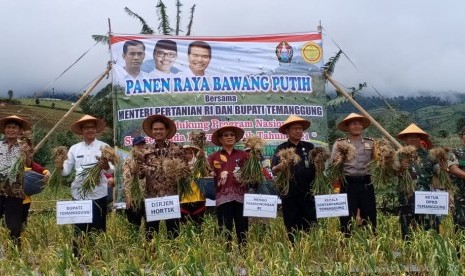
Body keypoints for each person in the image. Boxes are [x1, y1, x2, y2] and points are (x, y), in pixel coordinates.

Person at [61, 115, 112, 257]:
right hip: (79, 193)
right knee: (79, 227)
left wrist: (106, 165)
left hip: (98, 193)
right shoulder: (74, 149)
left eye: (92, 127)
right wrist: (59, 166)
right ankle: (78, 257)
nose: (90, 130)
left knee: (98, 227)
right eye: (86, 128)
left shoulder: (104, 147)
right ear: (81, 131)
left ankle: (98, 257)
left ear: (96, 130)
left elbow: (112, 169)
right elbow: (66, 171)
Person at [271, 115, 316, 244]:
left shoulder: (309, 147)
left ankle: (310, 248)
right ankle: (294, 249)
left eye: (300, 128)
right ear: (287, 131)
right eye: (295, 128)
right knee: (291, 223)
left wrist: (319, 163)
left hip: (308, 191)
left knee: (310, 222)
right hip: (289, 192)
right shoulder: (282, 148)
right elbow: (274, 169)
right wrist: (282, 165)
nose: (298, 131)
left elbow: (316, 167)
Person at [140, 115, 185, 241]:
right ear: (151, 132)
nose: (158, 131)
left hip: (171, 197)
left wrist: (178, 171)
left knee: (173, 233)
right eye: (155, 129)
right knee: (151, 233)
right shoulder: (145, 151)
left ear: (167, 131)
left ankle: (174, 258)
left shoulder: (177, 149)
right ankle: (151, 258)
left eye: (161, 129)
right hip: (152, 197)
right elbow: (140, 175)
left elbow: (185, 172)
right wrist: (139, 170)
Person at [331, 113, 376, 237]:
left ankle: (371, 243)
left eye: (359, 123)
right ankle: (346, 244)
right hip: (348, 184)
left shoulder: (371, 143)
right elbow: (332, 163)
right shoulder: (340, 143)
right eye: (353, 123)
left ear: (362, 126)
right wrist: (338, 159)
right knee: (347, 216)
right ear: (348, 127)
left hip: (366, 183)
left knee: (370, 214)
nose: (357, 126)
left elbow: (379, 160)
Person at [208, 126, 249, 248]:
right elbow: (206, 175)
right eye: (226, 135)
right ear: (220, 139)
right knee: (225, 228)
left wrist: (244, 178)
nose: (230, 137)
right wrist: (213, 175)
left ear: (236, 138)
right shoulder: (213, 157)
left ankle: (244, 255)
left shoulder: (244, 155)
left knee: (243, 228)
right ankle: (226, 257)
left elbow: (253, 176)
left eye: (232, 135)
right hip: (222, 197)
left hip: (241, 197)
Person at [397, 123, 438, 240]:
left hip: (426, 198)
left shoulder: (430, 155)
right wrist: (400, 167)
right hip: (406, 198)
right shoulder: (398, 155)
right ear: (405, 139)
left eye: (417, 136)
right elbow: (390, 173)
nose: (414, 139)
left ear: (421, 139)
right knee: (408, 231)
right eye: (410, 136)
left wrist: (442, 168)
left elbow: (438, 172)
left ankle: (430, 254)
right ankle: (410, 256)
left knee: (429, 230)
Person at [0, 115, 32, 246]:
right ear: (4, 130)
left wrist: (26, 153)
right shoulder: (0, 145)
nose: (11, 130)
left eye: (14, 128)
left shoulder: (24, 146)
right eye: (8, 127)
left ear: (20, 131)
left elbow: (29, 163)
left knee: (14, 224)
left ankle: (14, 254)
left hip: (15, 189)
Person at [122, 135, 146, 232]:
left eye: (142, 144)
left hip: (147, 196)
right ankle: (134, 244)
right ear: (133, 147)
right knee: (134, 225)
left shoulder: (148, 160)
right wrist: (128, 197)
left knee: (149, 226)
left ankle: (149, 245)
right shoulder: (128, 161)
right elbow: (126, 180)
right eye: (138, 145)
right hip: (134, 197)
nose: (140, 147)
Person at [180, 145, 206, 228]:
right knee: (184, 226)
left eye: (190, 153)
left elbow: (207, 174)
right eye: (185, 153)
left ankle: (199, 241)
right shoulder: (179, 167)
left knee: (198, 225)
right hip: (184, 199)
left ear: (194, 154)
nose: (187, 155)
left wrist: (202, 159)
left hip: (198, 198)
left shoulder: (199, 166)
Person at [447, 126, 465, 231]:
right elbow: (453, 169)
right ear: (461, 137)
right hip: (461, 198)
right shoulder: (455, 152)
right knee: (461, 226)